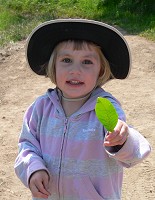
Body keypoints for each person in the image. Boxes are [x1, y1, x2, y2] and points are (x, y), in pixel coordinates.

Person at [14, 19, 151, 200]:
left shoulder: (105, 108)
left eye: (87, 62)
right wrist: (33, 168)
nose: (75, 70)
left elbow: (134, 154)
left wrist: (123, 139)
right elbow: (27, 145)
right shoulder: (40, 108)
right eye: (66, 60)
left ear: (100, 70)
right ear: (53, 66)